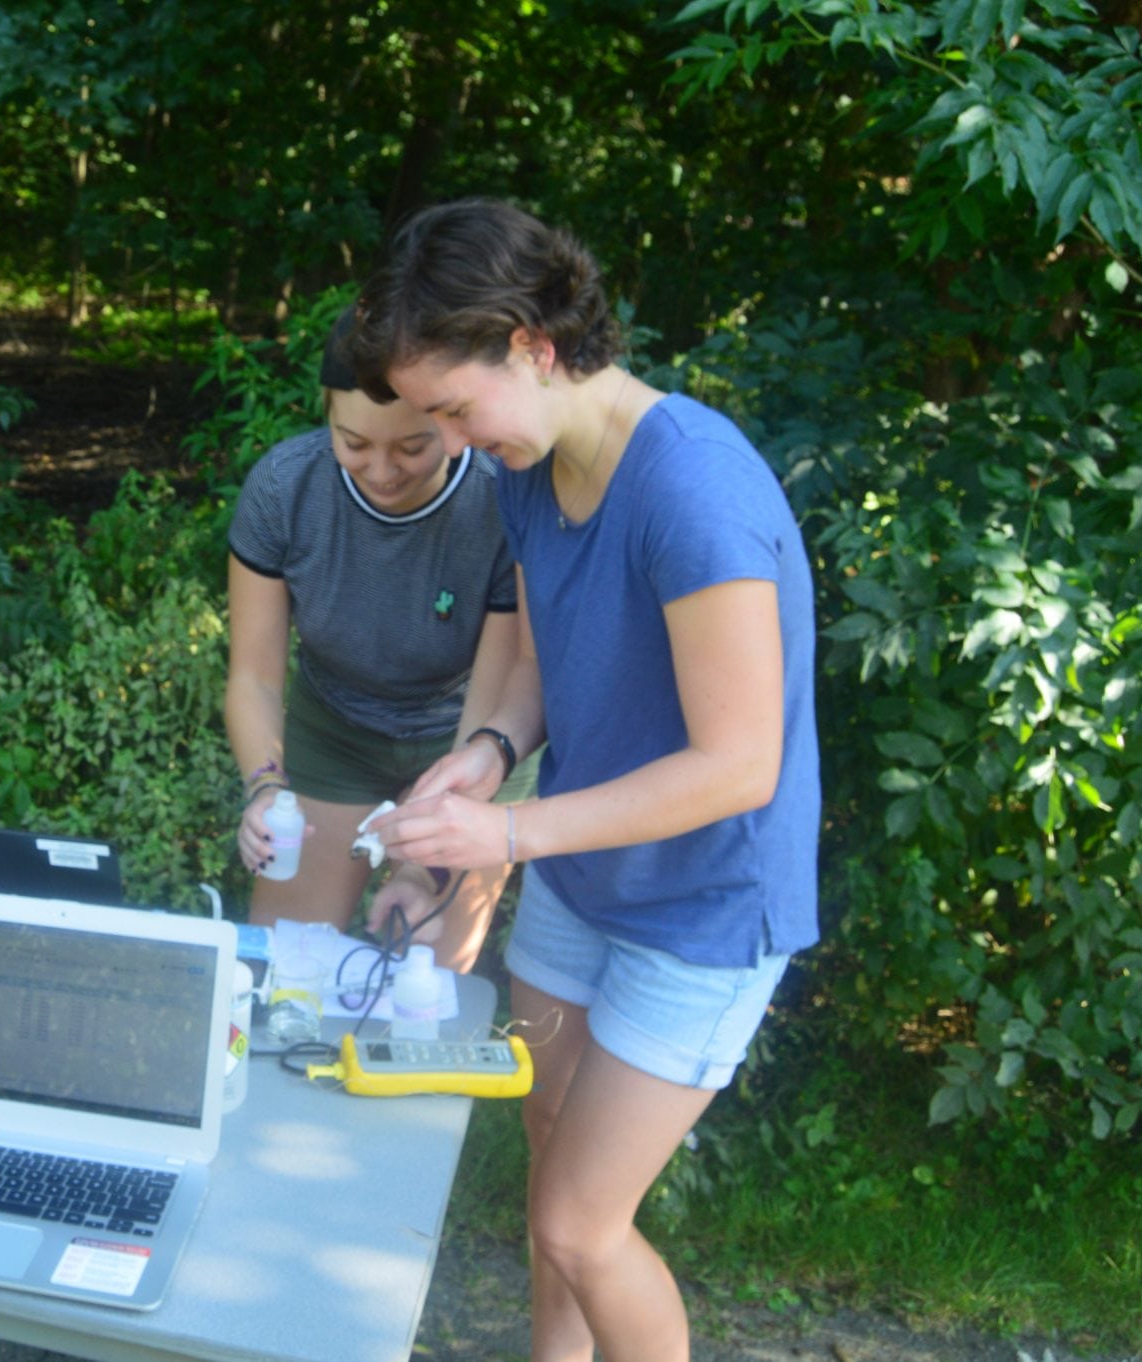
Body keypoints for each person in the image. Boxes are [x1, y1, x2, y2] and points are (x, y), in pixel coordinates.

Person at [353, 199, 820, 1362]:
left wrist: (505, 841)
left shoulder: (691, 492)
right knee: (548, 1137)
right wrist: (485, 759)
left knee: (579, 1224)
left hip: (702, 905)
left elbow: (737, 762)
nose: (449, 441)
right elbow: (529, 655)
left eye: (453, 409)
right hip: (581, 872)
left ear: (533, 344)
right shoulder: (530, 463)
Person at [224, 307, 526, 973]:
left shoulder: (501, 502)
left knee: (425, 976)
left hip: (469, 740)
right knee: (286, 971)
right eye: (354, 443)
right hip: (334, 733)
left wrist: (422, 868)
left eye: (412, 448)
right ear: (325, 412)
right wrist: (266, 788)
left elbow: (498, 692)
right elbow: (254, 676)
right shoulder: (284, 490)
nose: (382, 472)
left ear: (452, 422)